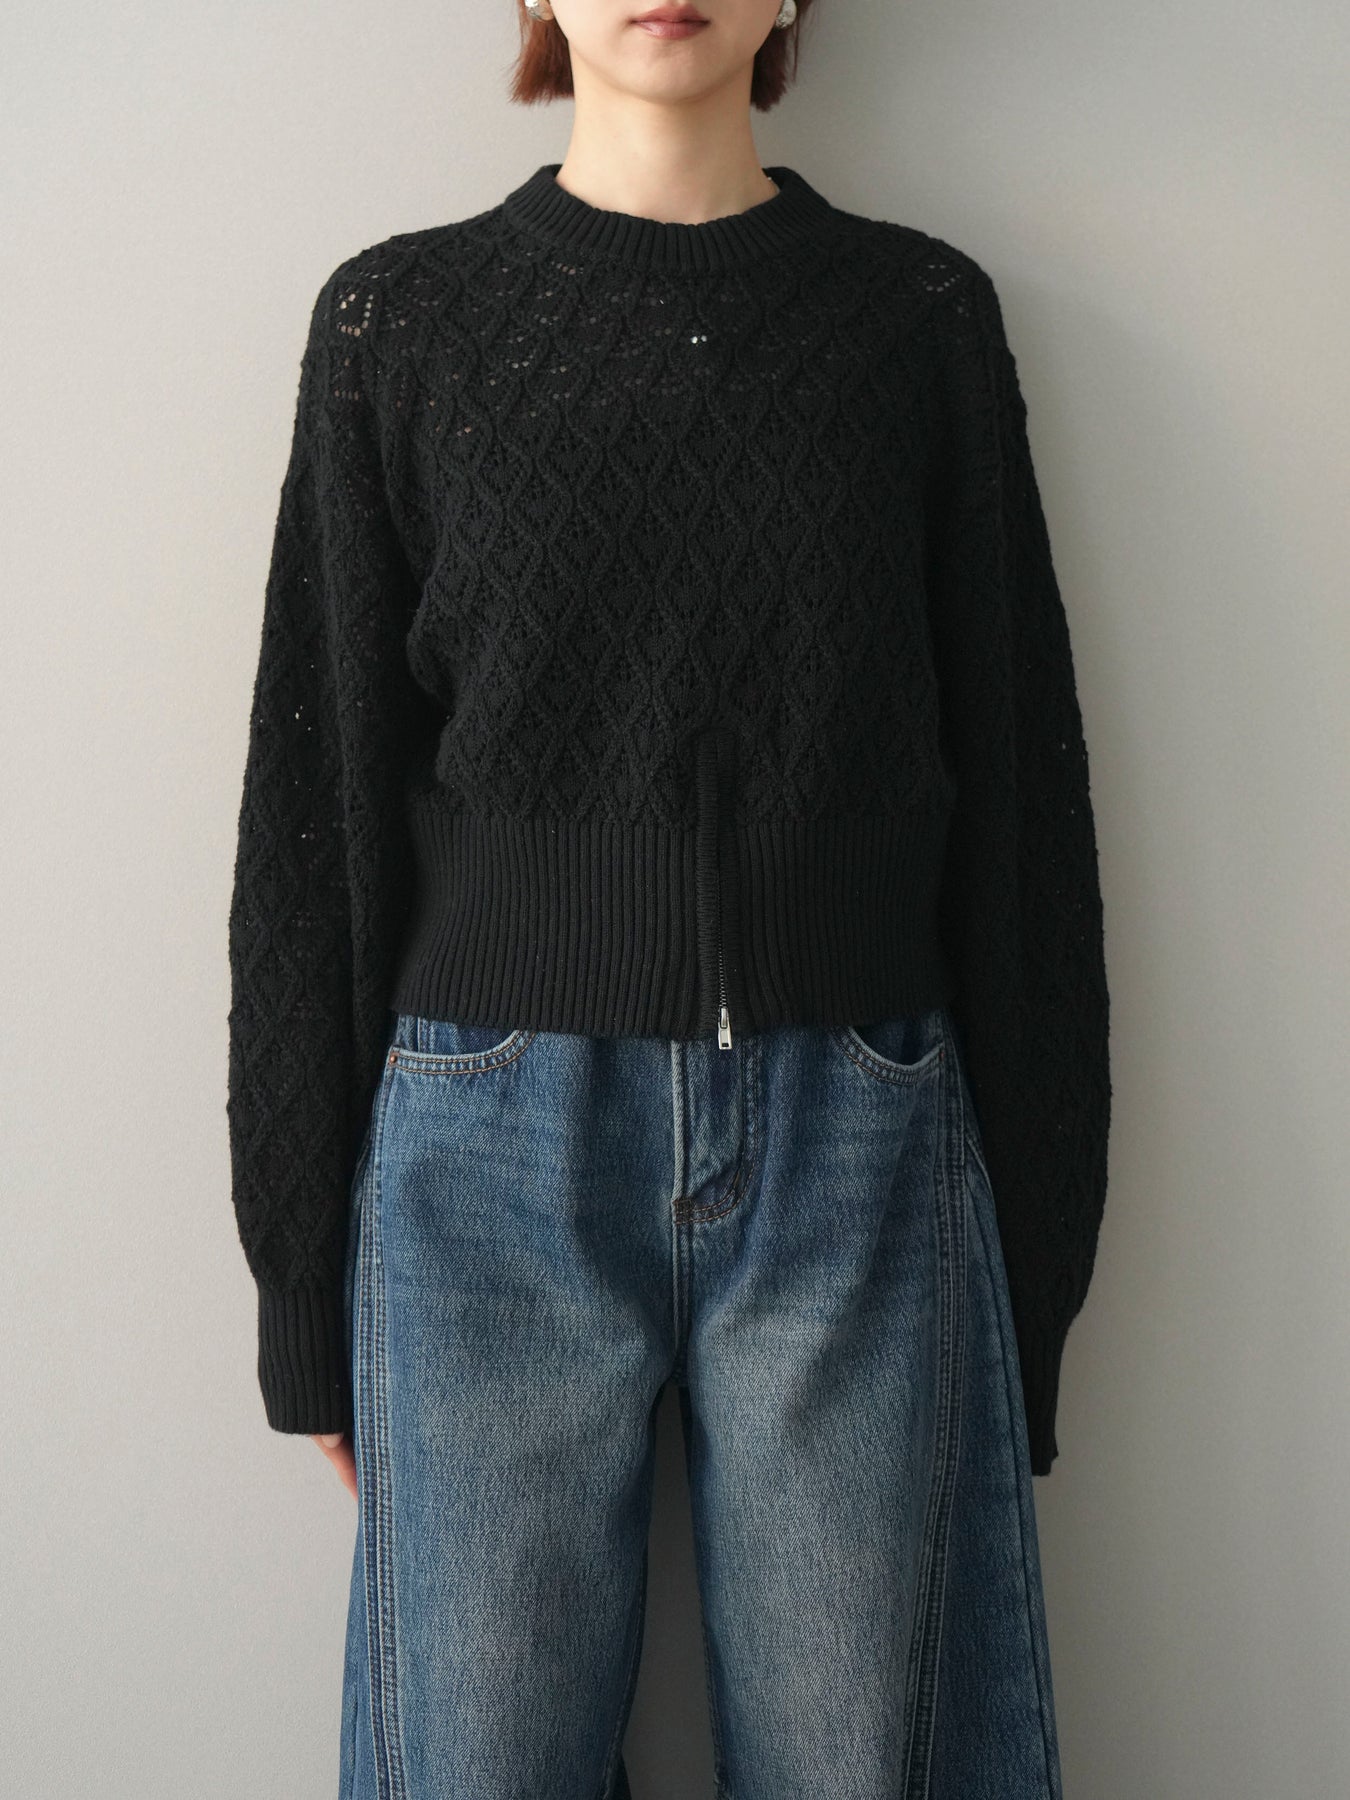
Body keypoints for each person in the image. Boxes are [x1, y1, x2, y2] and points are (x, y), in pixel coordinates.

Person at [226, 1, 1111, 1793]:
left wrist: (1030, 1271)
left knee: (866, 1761)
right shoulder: (399, 320)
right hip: (483, 1154)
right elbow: (313, 825)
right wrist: (302, 1288)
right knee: (476, 1764)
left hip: (860, 1131)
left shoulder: (916, 319)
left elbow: (1022, 804)